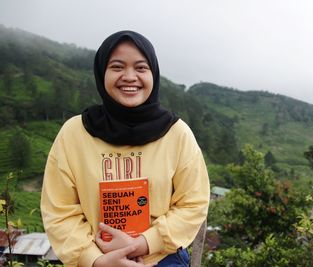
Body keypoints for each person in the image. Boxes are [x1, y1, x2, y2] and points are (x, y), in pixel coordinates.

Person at [41, 30, 210, 267]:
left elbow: (193, 204)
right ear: (102, 73)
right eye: (117, 67)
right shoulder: (74, 134)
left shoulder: (176, 133)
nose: (130, 76)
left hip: (162, 259)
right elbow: (59, 211)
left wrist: (142, 243)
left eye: (141, 68)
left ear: (154, 74)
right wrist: (98, 261)